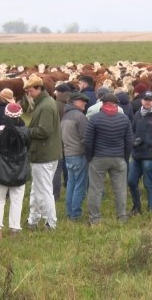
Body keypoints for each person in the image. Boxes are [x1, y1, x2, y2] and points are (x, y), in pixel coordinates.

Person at [84, 93, 133, 225]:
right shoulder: (124, 119)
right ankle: (122, 216)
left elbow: (88, 141)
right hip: (118, 158)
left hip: (98, 158)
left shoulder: (95, 119)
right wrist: (125, 158)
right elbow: (129, 141)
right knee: (120, 189)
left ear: (102, 103)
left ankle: (95, 219)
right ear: (116, 104)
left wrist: (90, 157)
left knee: (95, 189)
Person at [24, 74, 62, 230]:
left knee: (44, 191)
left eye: (30, 91)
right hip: (48, 153)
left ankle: (50, 222)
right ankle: (33, 220)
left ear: (39, 88)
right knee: (36, 189)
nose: (29, 94)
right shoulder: (47, 102)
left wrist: (26, 132)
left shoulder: (45, 106)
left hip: (43, 155)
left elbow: (44, 131)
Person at [0, 103, 30, 239]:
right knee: (17, 200)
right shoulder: (25, 130)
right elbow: (27, 147)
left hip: (1, 169)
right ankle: (14, 230)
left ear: (6, 114)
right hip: (20, 169)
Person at [61, 92, 89, 220]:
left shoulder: (65, 116)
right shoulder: (80, 117)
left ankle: (69, 212)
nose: (84, 103)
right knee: (79, 185)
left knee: (71, 184)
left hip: (68, 154)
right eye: (81, 101)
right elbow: (86, 138)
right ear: (73, 102)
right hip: (79, 154)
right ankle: (75, 214)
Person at [52, 83, 71, 201]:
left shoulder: (55, 105)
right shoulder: (71, 104)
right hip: (69, 139)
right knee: (68, 166)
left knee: (57, 168)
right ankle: (69, 188)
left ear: (59, 92)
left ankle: (55, 194)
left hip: (57, 139)